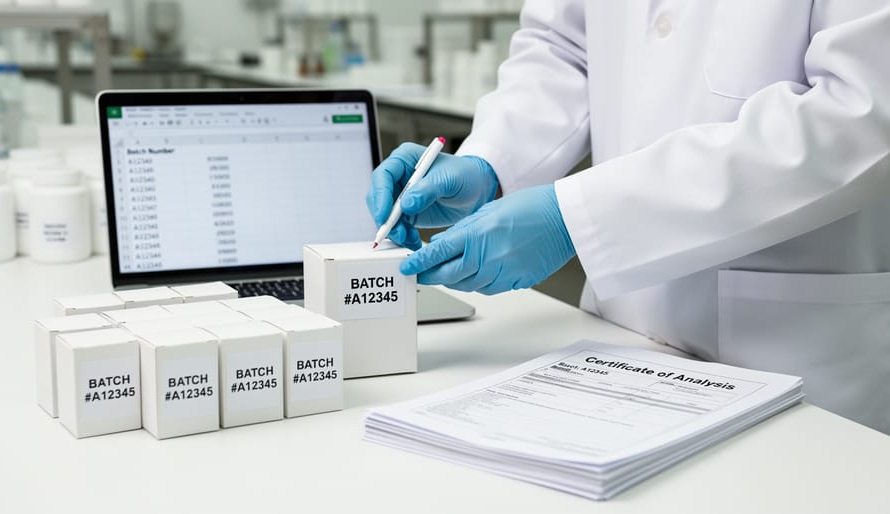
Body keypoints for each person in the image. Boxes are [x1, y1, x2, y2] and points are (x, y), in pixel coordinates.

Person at [366, 1, 890, 433]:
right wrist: (494, 160)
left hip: (794, 351)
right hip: (618, 343)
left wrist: (580, 217)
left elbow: (863, 111)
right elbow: (563, 48)